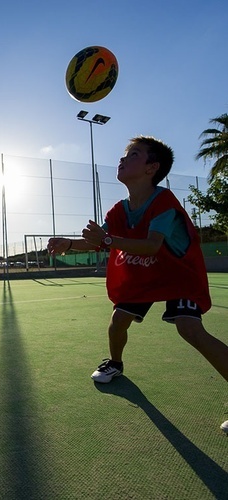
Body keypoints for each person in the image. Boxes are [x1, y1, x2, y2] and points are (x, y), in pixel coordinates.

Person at [48, 135, 228, 434]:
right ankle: (115, 364)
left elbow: (151, 245)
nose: (123, 159)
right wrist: (68, 243)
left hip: (178, 275)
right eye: (124, 154)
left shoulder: (164, 202)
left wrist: (106, 240)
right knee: (118, 320)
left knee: (189, 328)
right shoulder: (119, 210)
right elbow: (98, 241)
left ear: (151, 167)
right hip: (145, 275)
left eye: (133, 154)